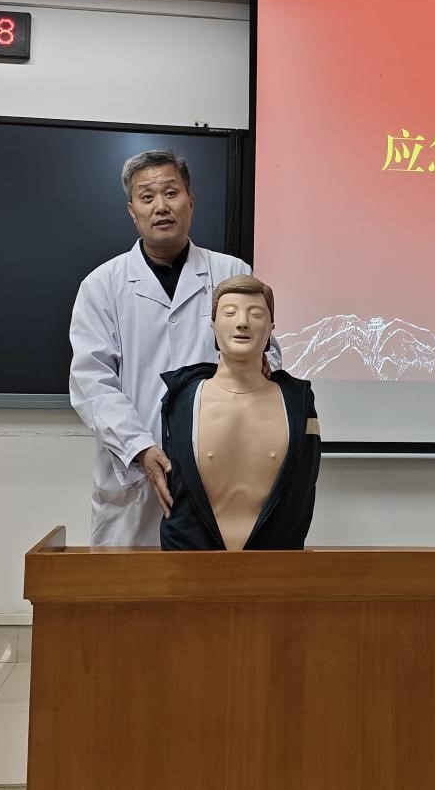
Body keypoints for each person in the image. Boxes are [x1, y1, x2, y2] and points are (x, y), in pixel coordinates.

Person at [69, 149, 278, 546]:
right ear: (132, 211)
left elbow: (269, 354)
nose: (161, 207)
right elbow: (91, 382)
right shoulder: (101, 285)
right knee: (129, 583)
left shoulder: (231, 273)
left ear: (190, 200)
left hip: (222, 469)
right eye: (147, 197)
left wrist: (263, 363)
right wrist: (139, 448)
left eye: (171, 193)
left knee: (213, 582)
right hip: (134, 477)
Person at [159, 275, 320, 550]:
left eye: (255, 314)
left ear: (271, 327)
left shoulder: (297, 403)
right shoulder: (183, 399)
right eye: (230, 313)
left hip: (275, 561)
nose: (242, 322)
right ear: (213, 324)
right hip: (191, 560)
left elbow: (303, 489)